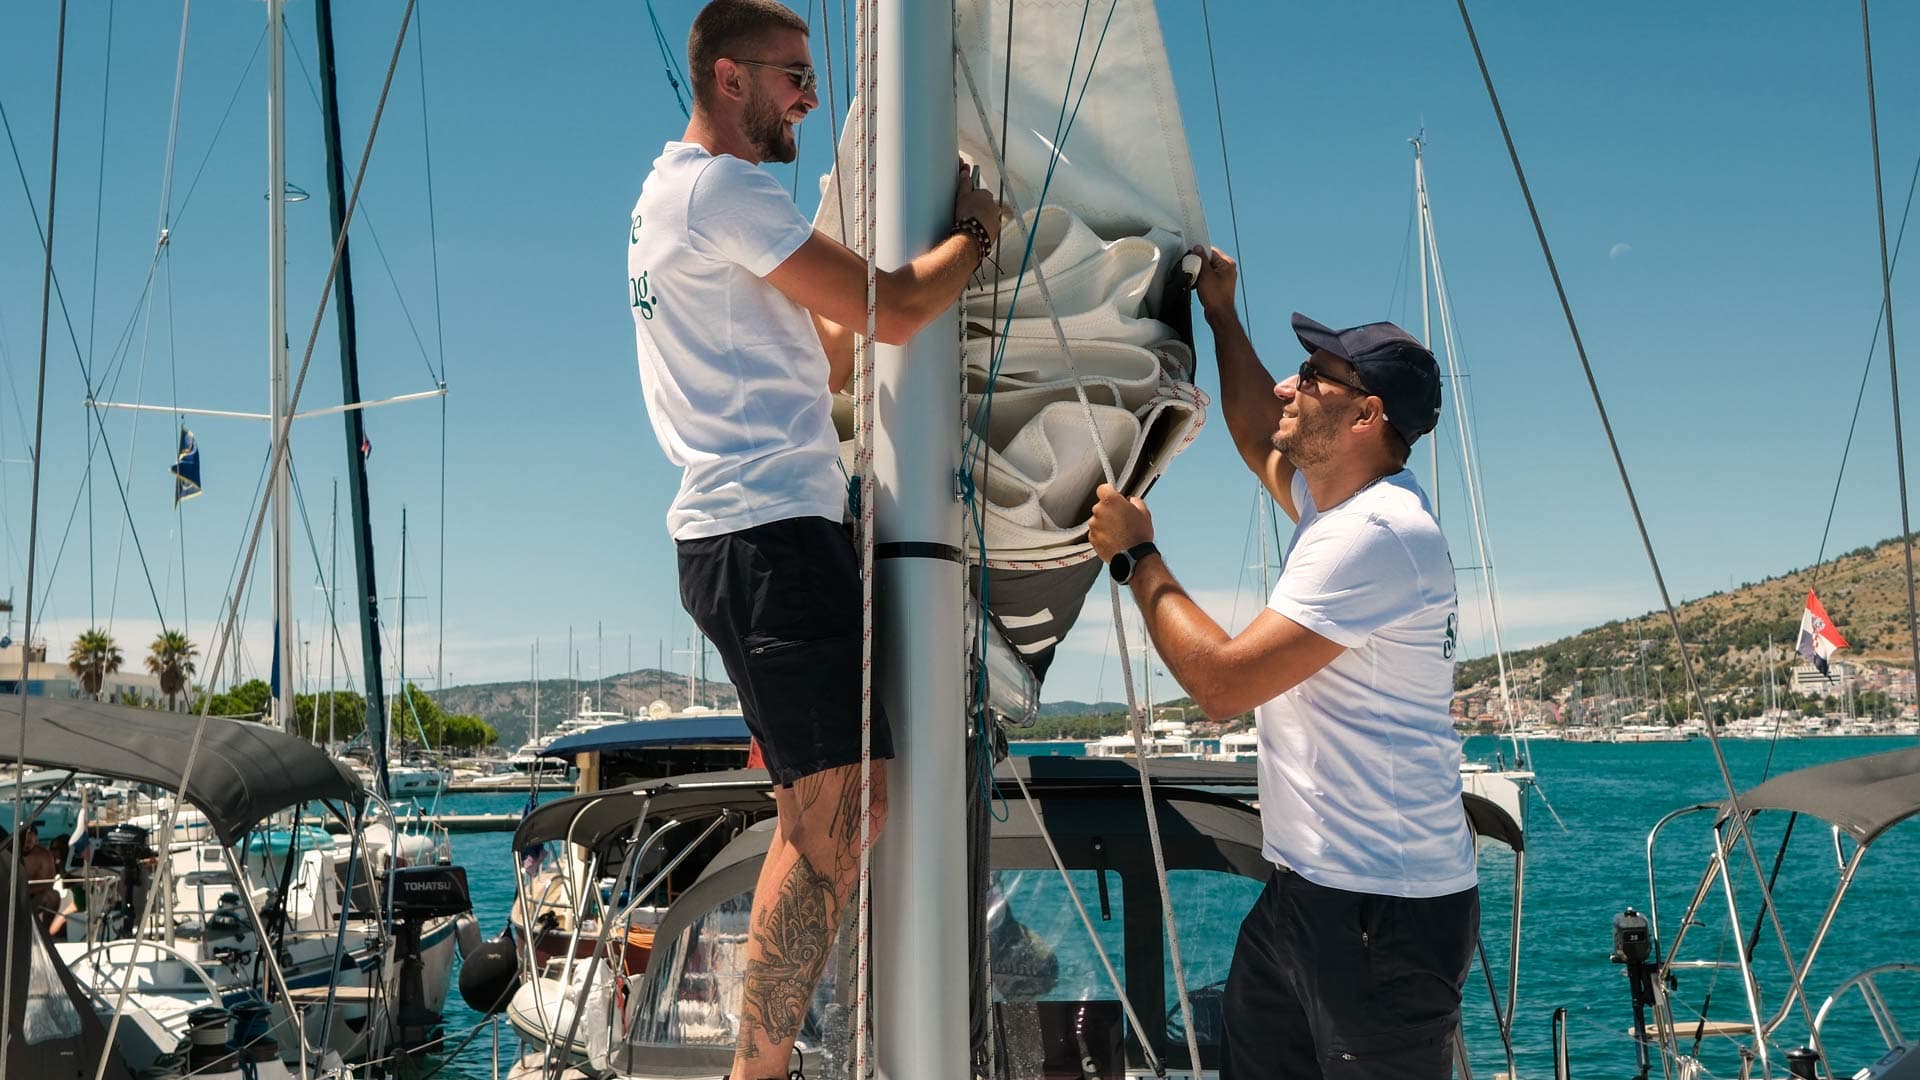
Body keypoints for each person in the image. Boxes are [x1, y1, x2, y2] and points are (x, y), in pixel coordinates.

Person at [625, 2, 1002, 1075]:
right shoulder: (720, 189)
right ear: (731, 77)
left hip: (753, 536)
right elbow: (889, 315)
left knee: (831, 808)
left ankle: (768, 1062)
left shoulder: (668, 200)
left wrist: (879, 264)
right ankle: (762, 1069)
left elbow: (827, 362)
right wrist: (974, 231)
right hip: (768, 535)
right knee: (837, 815)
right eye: (795, 73)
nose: (810, 92)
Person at [1087, 247, 1479, 1079]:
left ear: (1367, 416)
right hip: (1308, 890)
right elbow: (1255, 431)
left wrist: (1138, 558)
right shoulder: (1336, 509)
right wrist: (1224, 315)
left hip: (1384, 914)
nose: (1287, 387)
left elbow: (1222, 684)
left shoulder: (1375, 535)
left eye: (1312, 376)